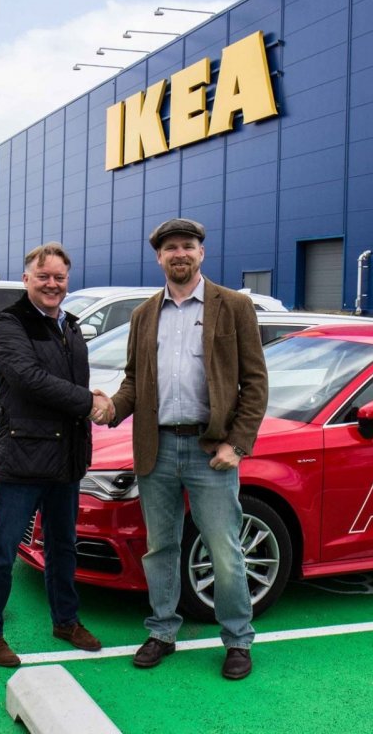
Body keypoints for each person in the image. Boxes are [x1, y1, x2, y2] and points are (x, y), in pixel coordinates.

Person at [103, 218, 269, 680]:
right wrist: (110, 409)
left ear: (201, 253)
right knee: (160, 548)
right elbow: (134, 382)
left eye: (188, 246)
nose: (180, 253)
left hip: (210, 450)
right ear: (159, 257)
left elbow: (255, 382)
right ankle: (162, 631)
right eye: (171, 247)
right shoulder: (144, 315)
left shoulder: (233, 306)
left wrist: (237, 444)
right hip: (156, 447)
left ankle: (237, 639)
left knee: (224, 549)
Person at [0, 242, 111, 667]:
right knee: (3, 548)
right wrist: (87, 401)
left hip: (66, 458)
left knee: (63, 545)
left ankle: (66, 620)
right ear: (26, 278)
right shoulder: (10, 323)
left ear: (68, 280)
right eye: (43, 276)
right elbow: (28, 378)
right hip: (24, 456)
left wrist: (91, 399)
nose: (52, 284)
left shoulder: (70, 325)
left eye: (60, 277)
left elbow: (66, 381)